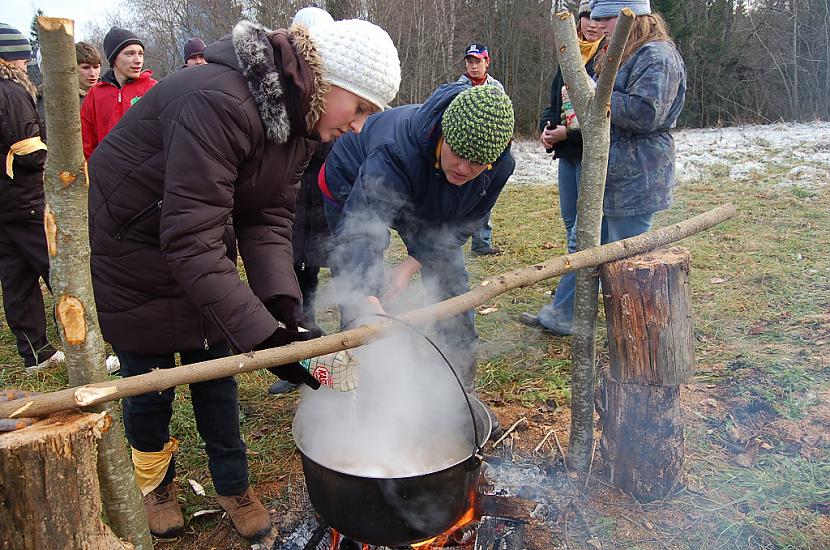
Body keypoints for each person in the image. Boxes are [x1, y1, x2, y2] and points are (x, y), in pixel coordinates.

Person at [87, 17, 400, 540]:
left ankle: (232, 484)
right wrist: (272, 338)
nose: (360, 126)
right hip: (133, 252)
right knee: (148, 385)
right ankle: (154, 484)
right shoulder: (220, 101)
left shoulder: (300, 124)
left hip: (193, 239)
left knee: (216, 372)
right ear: (330, 81)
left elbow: (267, 218)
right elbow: (189, 243)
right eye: (362, 108)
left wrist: (282, 309)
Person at [321, 83, 514, 433]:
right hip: (351, 175)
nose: (466, 168)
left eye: (478, 164)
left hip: (426, 188)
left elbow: (461, 225)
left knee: (453, 284)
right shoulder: (395, 151)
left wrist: (410, 266)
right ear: (444, 134)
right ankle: (360, 405)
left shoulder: (498, 166)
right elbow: (359, 233)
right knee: (362, 292)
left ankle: (459, 395)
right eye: (459, 154)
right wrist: (368, 298)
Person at [521, 0, 686, 336]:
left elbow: (646, 112)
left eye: (607, 19)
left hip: (637, 173)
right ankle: (564, 315)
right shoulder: (624, 51)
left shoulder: (657, 55)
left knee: (627, 259)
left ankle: (636, 330)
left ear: (633, 17)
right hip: (607, 173)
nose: (601, 27)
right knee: (587, 247)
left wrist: (598, 95)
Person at [519, 0, 604, 334]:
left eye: (600, 19)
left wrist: (568, 132)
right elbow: (553, 101)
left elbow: (603, 113)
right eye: (588, 18)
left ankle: (563, 313)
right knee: (572, 227)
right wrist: (546, 128)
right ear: (578, 21)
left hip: (590, 157)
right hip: (567, 157)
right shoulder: (570, 57)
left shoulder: (607, 58)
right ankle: (570, 307)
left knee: (579, 238)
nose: (593, 25)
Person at [267, 5, 336, 397]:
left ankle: (357, 355)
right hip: (294, 210)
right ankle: (302, 360)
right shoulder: (284, 95)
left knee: (352, 284)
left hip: (329, 212)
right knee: (298, 286)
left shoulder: (338, 96)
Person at [0, 23, 64, 371]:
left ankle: (35, 352)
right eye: (24, 59)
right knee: (59, 271)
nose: (27, 66)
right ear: (13, 59)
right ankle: (86, 344)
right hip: (25, 199)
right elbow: (27, 149)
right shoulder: (10, 91)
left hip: (5, 205)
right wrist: (53, 160)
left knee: (17, 280)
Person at [457, 43, 505, 256]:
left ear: (487, 62)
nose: (474, 66)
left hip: (489, 150)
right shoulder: (458, 87)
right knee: (461, 196)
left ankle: (482, 242)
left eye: (478, 61)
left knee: (485, 194)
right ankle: (452, 242)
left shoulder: (497, 88)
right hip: (463, 150)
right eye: (470, 61)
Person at [81, 27, 156, 159]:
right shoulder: (96, 94)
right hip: (107, 173)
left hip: (147, 174)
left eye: (141, 53)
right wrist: (94, 170)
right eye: (130, 54)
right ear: (114, 58)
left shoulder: (153, 89)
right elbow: (86, 140)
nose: (138, 60)